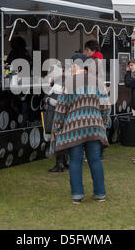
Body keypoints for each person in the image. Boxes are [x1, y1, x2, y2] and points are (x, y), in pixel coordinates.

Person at [49, 53, 110, 204]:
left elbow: (61, 109)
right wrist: (101, 121)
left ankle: (77, 195)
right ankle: (100, 194)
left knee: (75, 161)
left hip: (74, 128)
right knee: (95, 160)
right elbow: (106, 107)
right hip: (94, 127)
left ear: (76, 66)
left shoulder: (69, 83)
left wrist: (57, 128)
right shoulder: (98, 82)